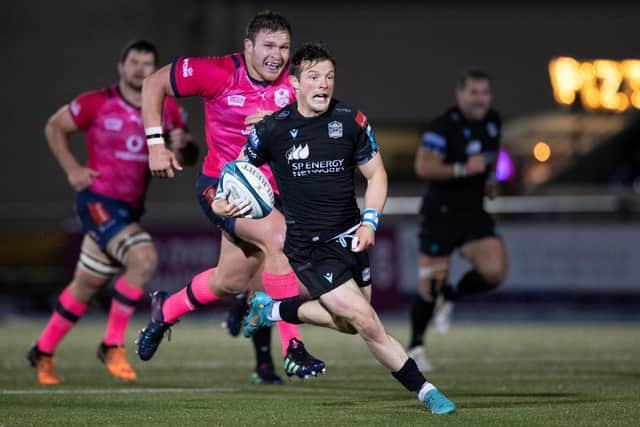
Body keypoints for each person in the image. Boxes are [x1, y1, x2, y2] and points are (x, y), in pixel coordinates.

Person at [218, 43, 456, 415]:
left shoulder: (350, 120)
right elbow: (234, 176)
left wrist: (370, 220)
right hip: (309, 247)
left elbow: (377, 174)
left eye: (328, 76)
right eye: (313, 77)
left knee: (348, 325)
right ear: (294, 83)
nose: (323, 84)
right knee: (367, 323)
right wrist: (222, 201)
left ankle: (272, 311)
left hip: (351, 237)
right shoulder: (272, 129)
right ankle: (427, 392)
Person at [136, 10, 325, 384]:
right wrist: (156, 145)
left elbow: (320, 126)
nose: (278, 54)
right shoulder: (218, 72)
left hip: (275, 192)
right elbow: (153, 84)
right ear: (248, 47)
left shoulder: (297, 80)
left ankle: (165, 309)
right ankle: (293, 348)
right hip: (223, 186)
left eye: (284, 46)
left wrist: (281, 120)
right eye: (269, 45)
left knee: (231, 281)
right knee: (278, 240)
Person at [27, 40, 194, 384]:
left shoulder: (168, 110)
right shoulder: (97, 103)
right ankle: (112, 344)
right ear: (121, 67)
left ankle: (41, 351)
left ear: (156, 72)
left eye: (148, 64)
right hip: (98, 202)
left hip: (129, 210)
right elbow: (54, 126)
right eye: (133, 62)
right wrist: (73, 169)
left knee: (86, 284)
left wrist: (185, 146)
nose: (139, 69)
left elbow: (187, 153)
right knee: (144, 258)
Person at [408, 69, 509, 371]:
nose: (480, 99)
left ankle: (451, 296)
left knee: (495, 271)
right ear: (461, 94)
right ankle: (415, 346)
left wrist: (490, 180)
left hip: (473, 212)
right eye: (474, 93)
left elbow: (490, 157)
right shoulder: (443, 126)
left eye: (485, 93)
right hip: (440, 213)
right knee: (430, 286)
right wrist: (465, 169)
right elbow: (423, 167)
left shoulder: (493, 121)